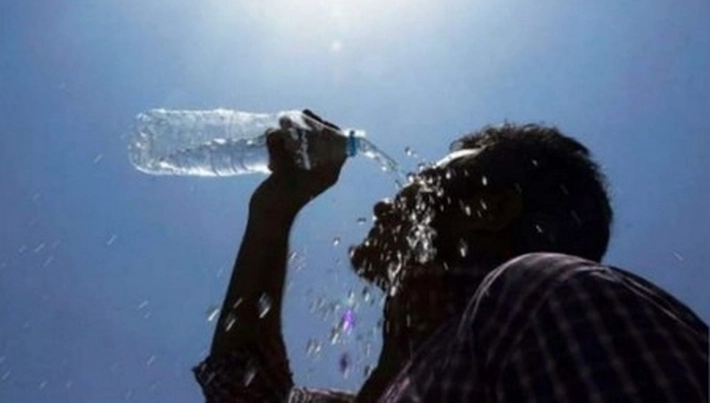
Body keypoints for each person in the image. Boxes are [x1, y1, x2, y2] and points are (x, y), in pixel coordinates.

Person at [193, 111, 708, 402]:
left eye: (424, 183)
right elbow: (242, 386)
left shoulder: (541, 293)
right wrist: (275, 206)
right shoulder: (403, 380)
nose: (384, 204)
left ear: (491, 209)